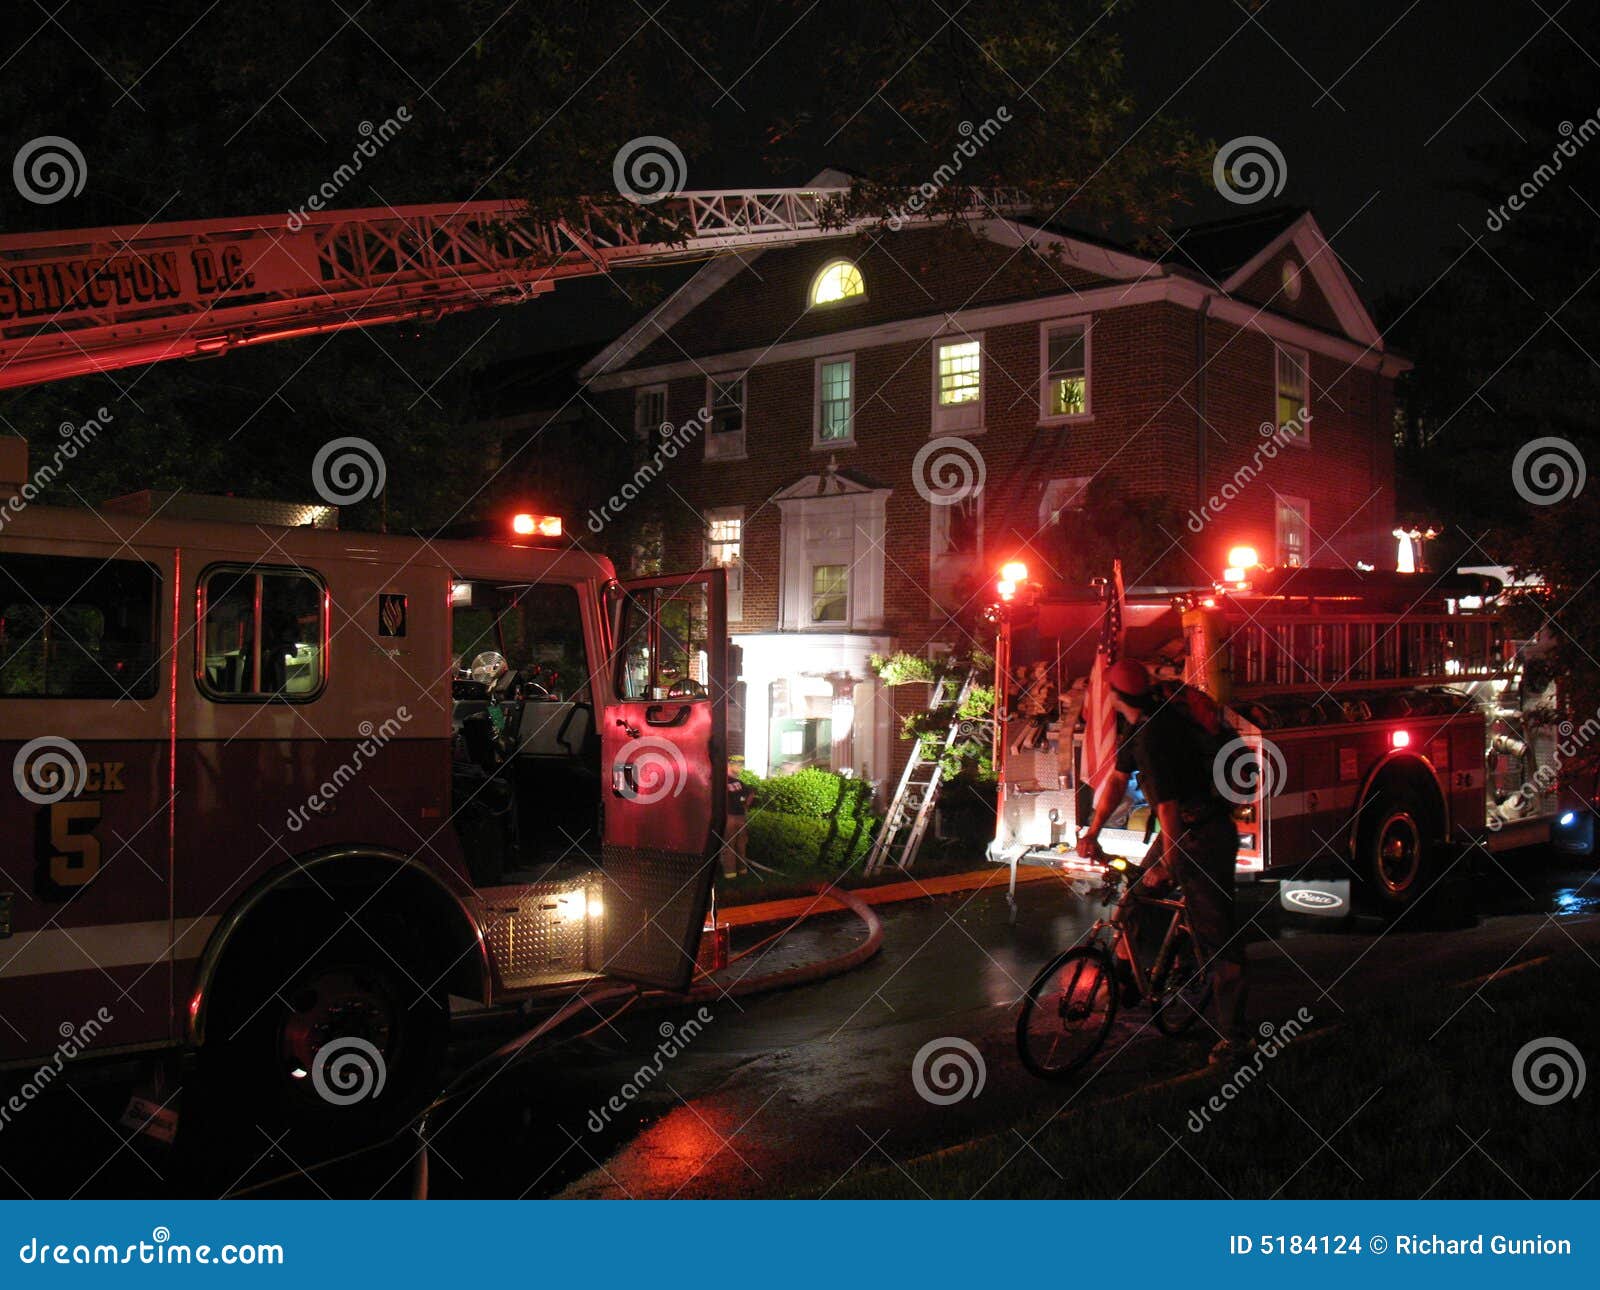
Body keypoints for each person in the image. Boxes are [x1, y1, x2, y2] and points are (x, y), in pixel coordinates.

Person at [1076, 658, 1250, 1067]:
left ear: (1117, 697)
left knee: (1218, 941)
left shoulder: (1156, 735)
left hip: (1203, 836)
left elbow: (1168, 808)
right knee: (1133, 902)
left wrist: (1168, 865)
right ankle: (1127, 982)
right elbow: (1118, 780)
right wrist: (1093, 830)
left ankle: (1237, 1039)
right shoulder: (1141, 725)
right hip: (1183, 830)